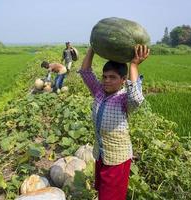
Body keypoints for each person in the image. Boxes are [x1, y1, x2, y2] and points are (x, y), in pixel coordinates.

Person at [78, 45, 150, 200]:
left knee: (111, 197)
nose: (107, 81)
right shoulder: (99, 91)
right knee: (103, 192)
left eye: (112, 77)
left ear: (123, 80)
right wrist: (93, 48)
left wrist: (134, 64)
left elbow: (137, 97)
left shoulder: (124, 99)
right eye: (104, 77)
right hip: (101, 154)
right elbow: (85, 72)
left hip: (117, 159)